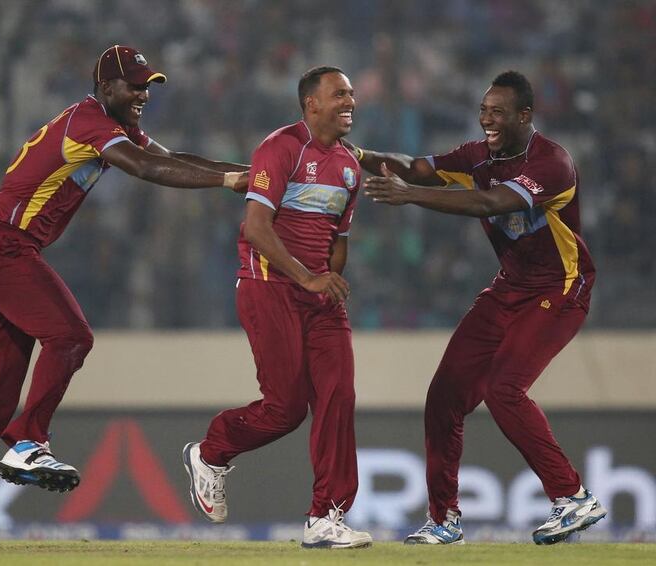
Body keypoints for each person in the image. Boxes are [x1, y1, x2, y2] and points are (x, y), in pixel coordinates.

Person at [0, 44, 249, 548]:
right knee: (70, 336)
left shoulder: (110, 125)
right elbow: (146, 169)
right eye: (134, 86)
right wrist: (228, 180)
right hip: (2, 245)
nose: (142, 95)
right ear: (105, 86)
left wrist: (247, 176)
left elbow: (170, 159)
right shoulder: (89, 123)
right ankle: (29, 442)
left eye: (147, 86)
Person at [357, 70, 606, 545]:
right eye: (484, 110)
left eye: (498, 112)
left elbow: (490, 203)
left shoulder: (553, 162)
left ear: (524, 116)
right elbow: (414, 166)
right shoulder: (477, 155)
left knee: (504, 388)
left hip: (561, 287)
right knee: (444, 396)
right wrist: (358, 155)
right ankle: (444, 520)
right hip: (510, 288)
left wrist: (411, 198)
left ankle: (573, 497)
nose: (486, 119)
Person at [182, 66, 372, 549]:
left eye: (351, 94)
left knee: (338, 396)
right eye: (340, 94)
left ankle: (326, 516)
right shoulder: (282, 147)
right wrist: (308, 277)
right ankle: (211, 451)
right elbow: (255, 229)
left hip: (319, 299)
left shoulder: (350, 164)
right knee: (285, 409)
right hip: (268, 288)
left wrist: (330, 279)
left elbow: (338, 238)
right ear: (311, 103)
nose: (350, 102)